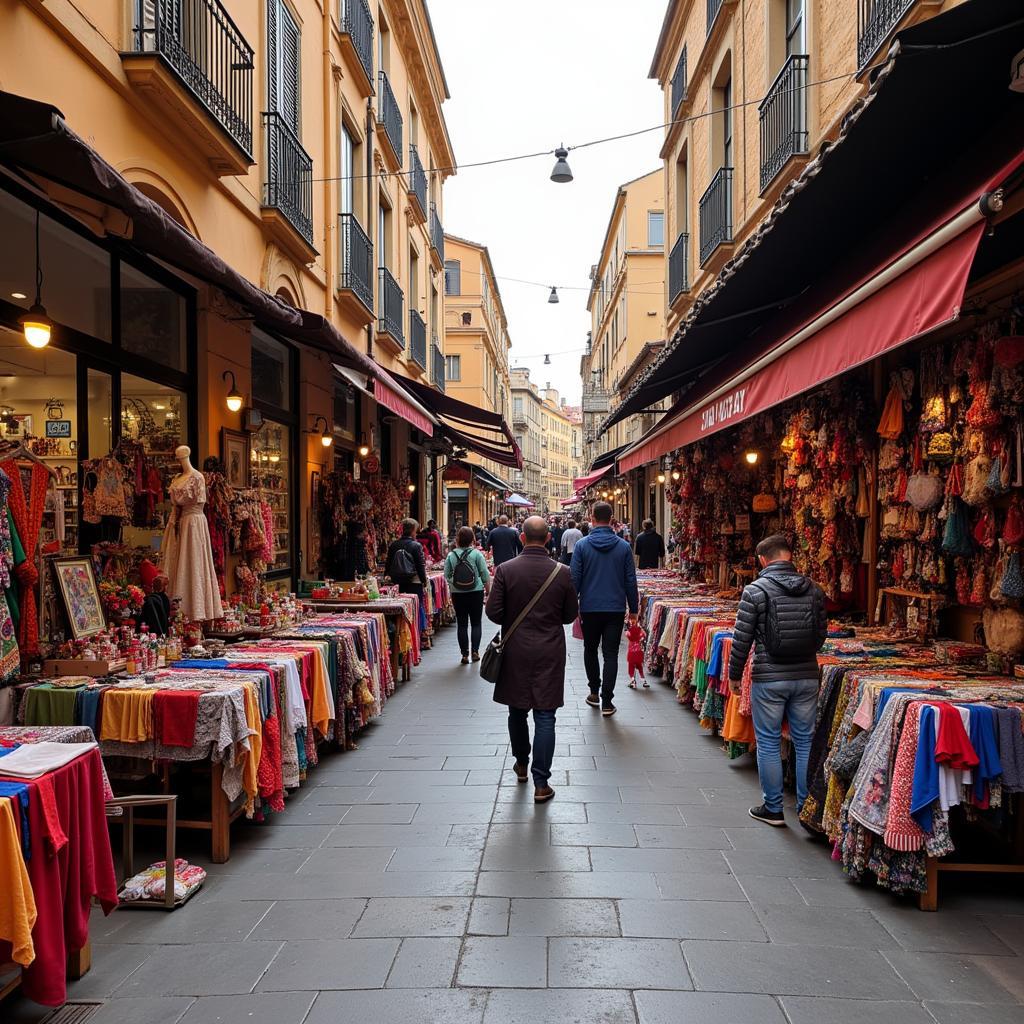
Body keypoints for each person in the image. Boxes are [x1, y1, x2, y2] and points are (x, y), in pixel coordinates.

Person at [727, 533, 827, 827]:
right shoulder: (815, 590)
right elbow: (820, 635)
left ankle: (773, 808)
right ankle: (806, 807)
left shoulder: (755, 591)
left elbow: (741, 639)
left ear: (762, 560)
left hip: (769, 677)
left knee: (769, 742)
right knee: (805, 740)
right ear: (789, 555)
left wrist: (734, 675)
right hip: (807, 675)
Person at [485, 515, 578, 802]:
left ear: (522, 538)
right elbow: (568, 616)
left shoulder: (505, 570)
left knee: (517, 710)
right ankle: (541, 782)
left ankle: (522, 764)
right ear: (550, 538)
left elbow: (494, 613)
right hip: (549, 649)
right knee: (546, 715)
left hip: (516, 648)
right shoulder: (562, 572)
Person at [570, 501, 638, 717]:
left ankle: (593, 691)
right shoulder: (624, 547)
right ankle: (607, 701)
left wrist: (572, 605)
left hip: (589, 607)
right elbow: (630, 580)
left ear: (591, 517)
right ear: (611, 519)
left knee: (590, 649)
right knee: (610, 654)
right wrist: (634, 609)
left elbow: (575, 580)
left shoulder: (582, 546)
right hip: (615, 608)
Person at [444, 525, 491, 664]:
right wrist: (487, 590)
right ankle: (475, 652)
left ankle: (464, 655)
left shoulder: (452, 555)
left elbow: (447, 574)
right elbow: (484, 574)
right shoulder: (477, 554)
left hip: (458, 594)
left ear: (458, 538)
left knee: (462, 624)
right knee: (476, 623)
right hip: (476, 592)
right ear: (472, 539)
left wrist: (455, 583)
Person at [385, 518, 428, 602]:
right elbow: (420, 565)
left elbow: (388, 563)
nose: (416, 534)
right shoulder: (416, 545)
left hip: (397, 583)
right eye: (416, 531)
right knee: (416, 608)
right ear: (412, 530)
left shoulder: (394, 545)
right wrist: (424, 581)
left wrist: (387, 576)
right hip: (414, 582)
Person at [625, 619, 647, 689]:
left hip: (631, 652)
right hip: (639, 651)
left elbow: (627, 634)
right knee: (640, 667)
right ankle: (644, 681)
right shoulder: (640, 632)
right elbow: (644, 635)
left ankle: (633, 681)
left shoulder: (629, 633)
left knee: (631, 668)